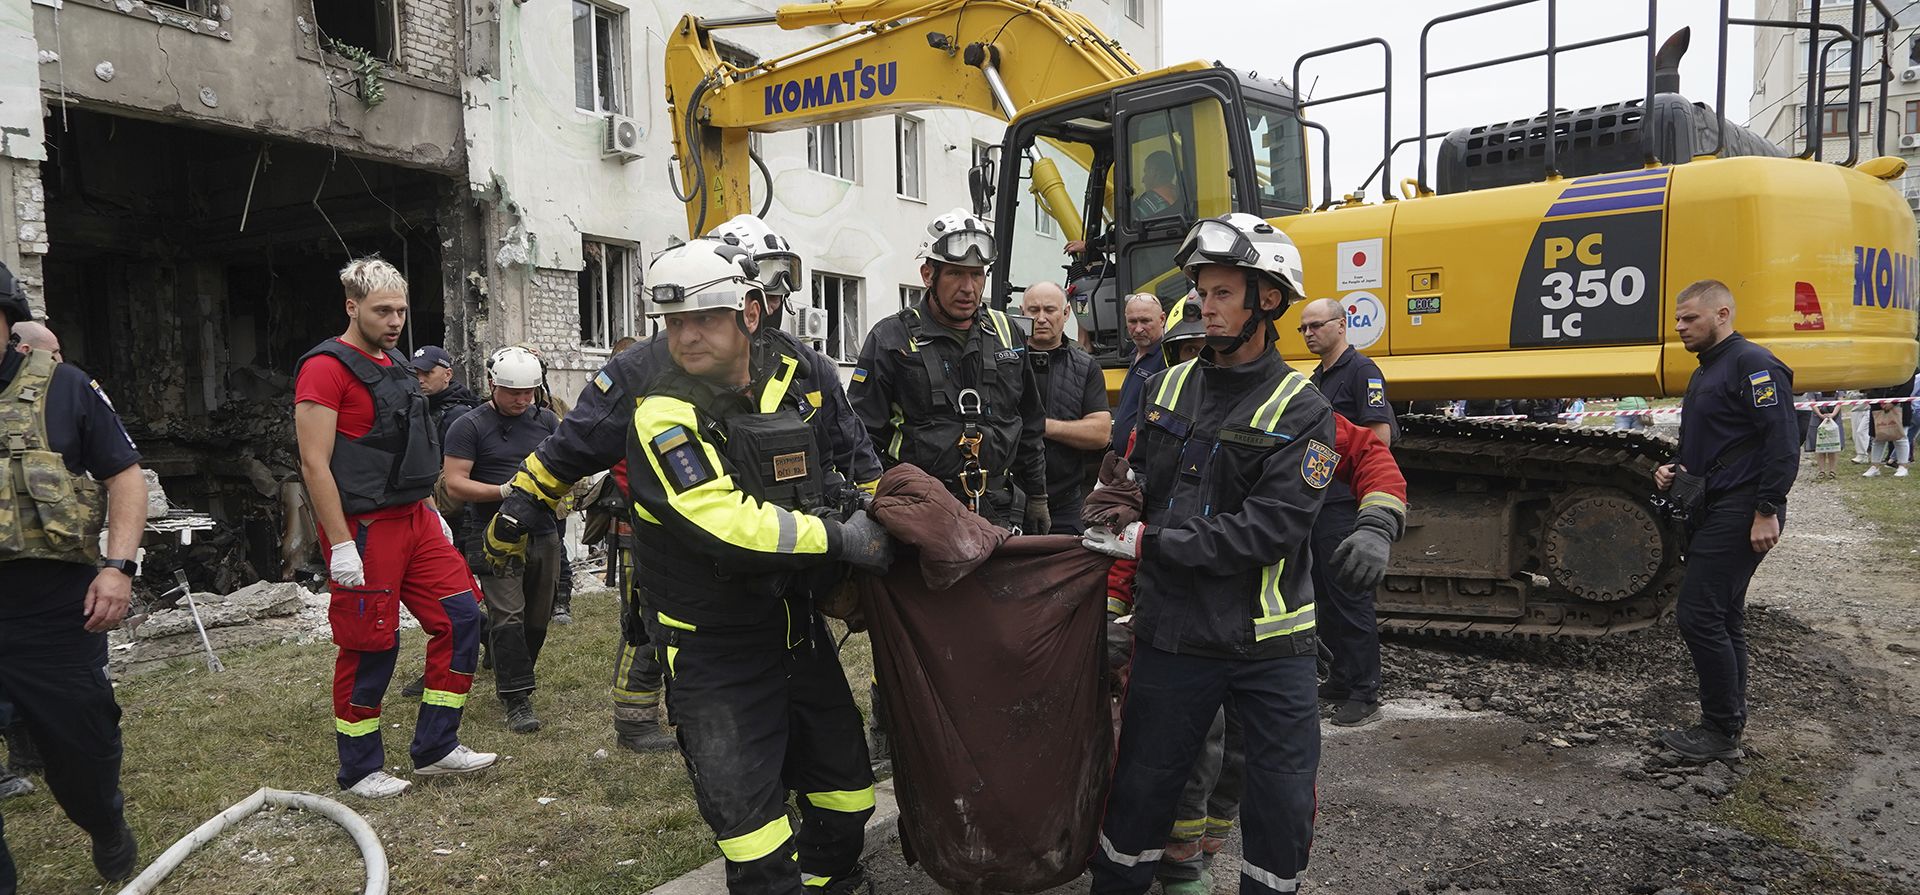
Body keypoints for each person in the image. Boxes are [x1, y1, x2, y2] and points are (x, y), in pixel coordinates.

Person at [487, 215, 881, 755]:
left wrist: (877, 514)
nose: (769, 305)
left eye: (775, 292)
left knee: (793, 667)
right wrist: (518, 510)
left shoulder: (803, 364)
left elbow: (851, 446)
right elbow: (575, 443)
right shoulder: (645, 368)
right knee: (653, 623)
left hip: (785, 553)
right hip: (687, 545)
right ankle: (637, 720)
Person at [1084, 213, 1397, 895]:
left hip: (1270, 646)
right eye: (1202, 292)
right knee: (1139, 792)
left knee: (1280, 803)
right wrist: (1116, 505)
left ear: (1269, 299)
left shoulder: (1303, 408)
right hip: (1173, 636)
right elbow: (1134, 485)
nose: (1206, 305)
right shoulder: (1165, 390)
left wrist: (1147, 540)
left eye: (1223, 292)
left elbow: (1269, 530)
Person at [610, 239, 892, 894]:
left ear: (750, 313)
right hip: (715, 651)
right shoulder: (664, 414)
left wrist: (865, 511)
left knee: (848, 797)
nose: (687, 335)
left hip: (794, 632)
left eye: (705, 319)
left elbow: (825, 476)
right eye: (675, 322)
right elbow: (724, 523)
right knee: (756, 841)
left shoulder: (784, 391)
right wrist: (838, 539)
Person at [293, 257, 496, 799]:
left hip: (416, 519)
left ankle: (436, 746)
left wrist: (431, 512)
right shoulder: (325, 369)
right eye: (383, 311)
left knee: (461, 617)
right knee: (371, 644)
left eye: (401, 311)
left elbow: (409, 448)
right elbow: (314, 464)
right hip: (364, 528)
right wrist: (341, 545)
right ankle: (360, 768)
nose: (395, 321)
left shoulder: (399, 364)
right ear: (351, 306)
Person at [0, 261, 147, 890]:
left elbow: (124, 476)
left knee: (81, 753)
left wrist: (118, 567)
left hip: (53, 610)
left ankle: (104, 823)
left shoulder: (65, 388)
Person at [1653, 279, 1798, 761]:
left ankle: (1718, 731)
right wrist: (1674, 468)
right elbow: (1717, 440)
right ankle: (1727, 725)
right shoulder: (1708, 369)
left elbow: (1783, 441)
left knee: (1698, 614)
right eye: (1678, 319)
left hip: (1742, 508)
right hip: (1716, 504)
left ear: (1722, 314)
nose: (1680, 327)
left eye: (1690, 318)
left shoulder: (1752, 364)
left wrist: (1767, 509)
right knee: (1724, 615)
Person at [850, 209, 1047, 531]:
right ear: (928, 275)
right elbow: (861, 434)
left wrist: (1037, 495)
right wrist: (877, 502)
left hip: (999, 506)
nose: (969, 287)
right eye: (956, 273)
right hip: (921, 510)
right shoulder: (890, 338)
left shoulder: (1008, 333)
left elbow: (1029, 424)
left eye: (977, 274)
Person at [446, 347, 562, 733]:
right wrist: (503, 491)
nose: (522, 399)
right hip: (491, 530)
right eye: (514, 392)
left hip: (542, 529)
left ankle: (512, 667)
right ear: (492, 385)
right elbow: (455, 483)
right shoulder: (469, 425)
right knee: (508, 615)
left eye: (529, 392)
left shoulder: (546, 420)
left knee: (538, 617)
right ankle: (516, 698)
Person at [1297, 297, 1397, 727]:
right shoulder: (1317, 378)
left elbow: (1378, 438)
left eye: (1316, 325)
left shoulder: (1361, 372)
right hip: (1319, 504)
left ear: (1341, 325)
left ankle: (1364, 693)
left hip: (1343, 505)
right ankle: (1340, 677)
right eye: (1304, 328)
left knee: (1350, 596)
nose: (1309, 333)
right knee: (1325, 596)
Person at [1022, 281, 1110, 533]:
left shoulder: (1086, 367)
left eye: (1049, 310)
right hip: (1009, 500)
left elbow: (1100, 434)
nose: (1041, 318)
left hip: (1065, 503)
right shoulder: (1004, 362)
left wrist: (1042, 426)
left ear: (1066, 313)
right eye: (1033, 310)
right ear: (1022, 312)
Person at [1065, 151, 1187, 255]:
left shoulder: (1149, 203)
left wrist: (1087, 245)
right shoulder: (1179, 201)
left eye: (1146, 172)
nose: (1143, 179)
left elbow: (1121, 235)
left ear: (1155, 172)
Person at [1110, 294, 1167, 454]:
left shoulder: (1167, 359)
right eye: (1132, 321)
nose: (1138, 329)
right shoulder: (1135, 354)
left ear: (1162, 319)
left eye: (1145, 321)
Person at [411, 345, 483, 441]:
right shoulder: (414, 406)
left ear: (447, 375)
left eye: (427, 373)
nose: (420, 380)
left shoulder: (459, 415)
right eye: (416, 374)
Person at [1862, 378, 1913, 477]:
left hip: (1900, 406)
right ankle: (1875, 467)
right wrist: (1879, 401)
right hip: (1877, 407)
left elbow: (1908, 386)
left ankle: (1903, 466)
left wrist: (1893, 402)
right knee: (1877, 438)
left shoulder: (1907, 369)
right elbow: (1869, 385)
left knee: (1901, 438)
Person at [1811, 393, 1843, 480]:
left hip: (1834, 417)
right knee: (1819, 445)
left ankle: (1832, 471)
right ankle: (1821, 471)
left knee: (1833, 444)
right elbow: (1812, 401)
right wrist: (1820, 415)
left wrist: (1832, 415)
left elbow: (1840, 400)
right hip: (1817, 417)